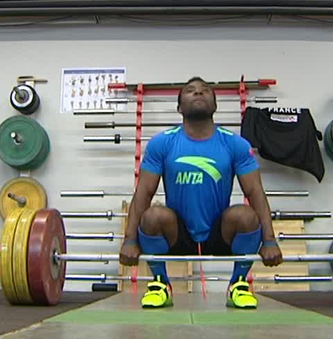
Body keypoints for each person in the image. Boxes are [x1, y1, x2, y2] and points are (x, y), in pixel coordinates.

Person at [119, 77, 283, 309]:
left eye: (205, 91)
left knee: (245, 215)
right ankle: (159, 284)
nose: (198, 93)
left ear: (215, 106)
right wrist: (130, 240)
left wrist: (269, 240)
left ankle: (238, 284)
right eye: (190, 91)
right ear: (179, 107)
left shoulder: (234, 143)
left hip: (220, 234)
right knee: (154, 215)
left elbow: (255, 192)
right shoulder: (162, 143)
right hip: (177, 233)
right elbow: (143, 193)